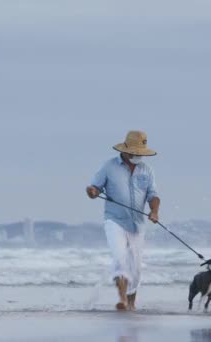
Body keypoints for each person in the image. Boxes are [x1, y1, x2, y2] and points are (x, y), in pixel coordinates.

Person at [86, 130, 160, 311]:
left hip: (137, 224)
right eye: (135, 153)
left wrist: (154, 211)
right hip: (114, 221)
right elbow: (94, 188)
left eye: (140, 153)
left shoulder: (147, 169)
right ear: (125, 150)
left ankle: (131, 303)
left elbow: (153, 195)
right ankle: (122, 299)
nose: (138, 156)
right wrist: (93, 192)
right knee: (120, 258)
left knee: (135, 267)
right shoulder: (109, 167)